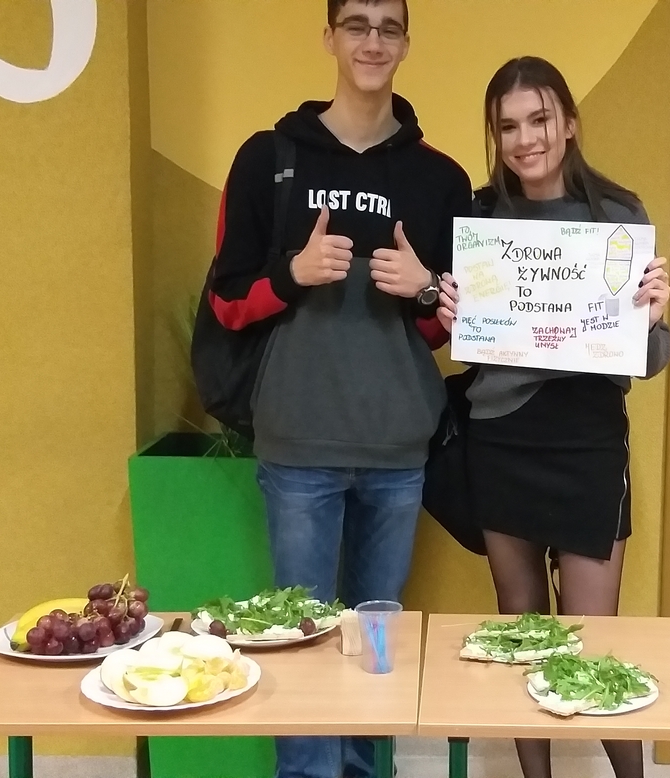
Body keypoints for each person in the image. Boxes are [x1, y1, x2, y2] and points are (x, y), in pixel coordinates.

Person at [203, 1, 471, 777]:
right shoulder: (268, 158)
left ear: (406, 43)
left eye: (389, 27)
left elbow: (453, 326)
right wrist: (292, 275)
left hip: (397, 452)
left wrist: (424, 289)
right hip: (298, 449)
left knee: (372, 655)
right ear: (329, 38)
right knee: (300, 645)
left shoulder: (441, 178)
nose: (372, 40)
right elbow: (226, 300)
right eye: (357, 24)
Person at [434, 56, 670, 778]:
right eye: (507, 126)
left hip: (588, 442)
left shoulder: (619, 217)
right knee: (523, 633)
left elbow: (651, 359)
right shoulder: (481, 221)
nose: (525, 139)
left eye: (538, 119)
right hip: (502, 439)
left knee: (595, 642)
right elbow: (464, 334)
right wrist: (450, 313)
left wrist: (651, 320)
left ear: (569, 123)